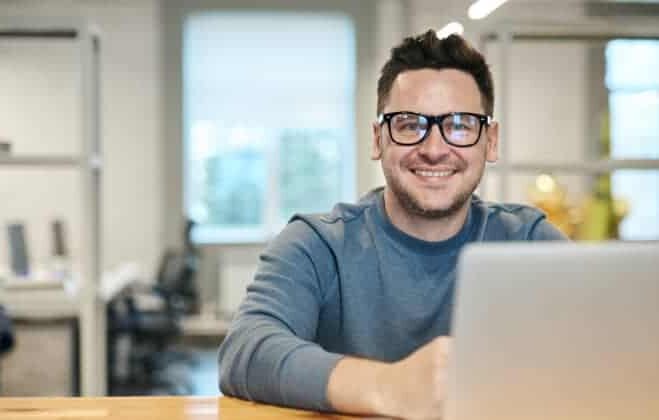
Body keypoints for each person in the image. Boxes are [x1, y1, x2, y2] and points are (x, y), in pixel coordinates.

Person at [217, 30, 566, 419]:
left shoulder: (530, 243)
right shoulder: (318, 244)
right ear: (378, 138)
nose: (434, 149)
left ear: (491, 141)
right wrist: (388, 387)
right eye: (409, 124)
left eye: (461, 126)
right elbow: (247, 350)